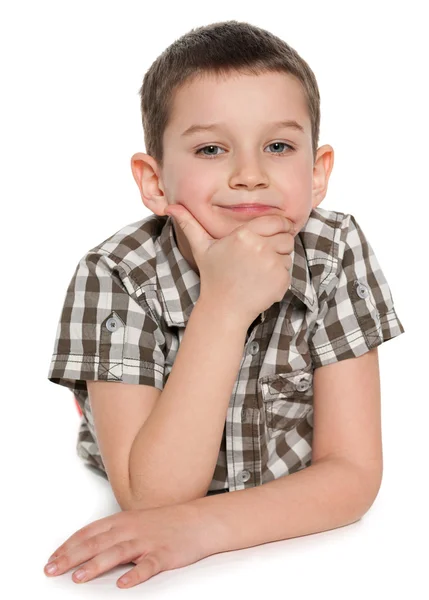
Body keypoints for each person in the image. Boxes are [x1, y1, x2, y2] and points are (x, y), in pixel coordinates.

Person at [45, 20, 405, 588]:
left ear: (317, 174)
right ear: (155, 181)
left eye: (279, 146)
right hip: (144, 467)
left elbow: (353, 473)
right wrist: (225, 305)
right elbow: (152, 497)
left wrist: (199, 529)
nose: (249, 175)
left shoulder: (335, 251)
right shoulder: (114, 273)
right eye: (211, 148)